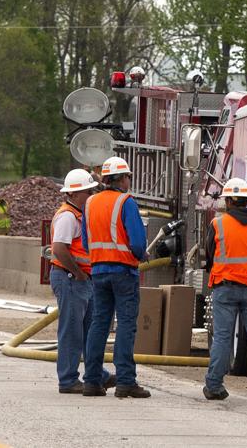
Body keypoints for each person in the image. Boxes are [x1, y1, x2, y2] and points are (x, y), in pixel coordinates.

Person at [81, 156, 150, 398]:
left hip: (98, 271)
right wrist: (142, 255)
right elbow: (138, 243)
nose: (129, 180)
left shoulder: (90, 203)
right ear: (121, 178)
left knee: (99, 324)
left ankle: (91, 381)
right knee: (126, 325)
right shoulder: (126, 202)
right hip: (123, 272)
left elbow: (86, 242)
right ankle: (125, 382)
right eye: (128, 176)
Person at [202, 177, 247, 401]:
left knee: (223, 337)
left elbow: (209, 253)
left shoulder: (218, 224)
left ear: (229, 201)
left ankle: (214, 385)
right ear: (246, 200)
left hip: (226, 288)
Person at [50, 169, 115, 394]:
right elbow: (59, 249)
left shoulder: (79, 214)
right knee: (72, 331)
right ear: (76, 194)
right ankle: (68, 380)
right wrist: (77, 272)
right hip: (70, 278)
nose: (91, 196)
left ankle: (96, 374)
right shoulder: (68, 217)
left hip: (82, 278)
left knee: (90, 330)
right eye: (88, 192)